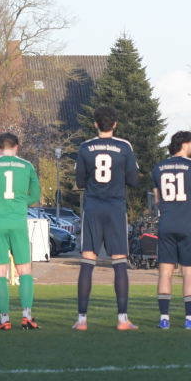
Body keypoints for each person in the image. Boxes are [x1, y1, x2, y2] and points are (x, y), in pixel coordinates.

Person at [73, 105, 139, 331]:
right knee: (119, 262)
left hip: (92, 207)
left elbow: (80, 183)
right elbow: (134, 180)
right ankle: (122, 319)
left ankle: (82, 320)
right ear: (115, 124)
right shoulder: (124, 146)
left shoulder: (85, 147)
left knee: (87, 262)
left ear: (95, 124)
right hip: (115, 209)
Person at [151, 131, 191, 329]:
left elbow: (158, 200)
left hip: (166, 224)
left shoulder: (159, 167)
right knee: (189, 273)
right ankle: (189, 319)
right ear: (184, 145)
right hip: (188, 226)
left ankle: (164, 319)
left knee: (165, 273)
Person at [0, 132, 42, 330]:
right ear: (17, 147)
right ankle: (26, 316)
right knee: (24, 269)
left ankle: (5, 319)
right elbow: (36, 196)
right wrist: (21, 201)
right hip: (18, 220)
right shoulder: (27, 166)